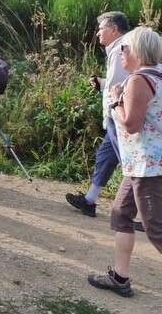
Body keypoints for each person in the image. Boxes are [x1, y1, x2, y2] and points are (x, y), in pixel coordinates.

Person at [88, 26, 162, 298]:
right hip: (142, 164)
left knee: (156, 229)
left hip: (147, 167)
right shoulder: (159, 74)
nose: (121, 53)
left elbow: (131, 124)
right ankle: (120, 278)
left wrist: (116, 99)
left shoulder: (138, 80)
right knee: (121, 214)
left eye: (124, 48)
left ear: (137, 51)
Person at [66, 12, 130, 217]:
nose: (98, 33)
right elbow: (117, 83)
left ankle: (149, 213)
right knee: (105, 157)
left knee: (133, 166)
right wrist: (102, 83)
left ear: (114, 30)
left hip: (121, 116)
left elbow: (119, 88)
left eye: (102, 28)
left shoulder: (121, 48)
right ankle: (89, 200)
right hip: (117, 116)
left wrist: (112, 108)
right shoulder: (120, 48)